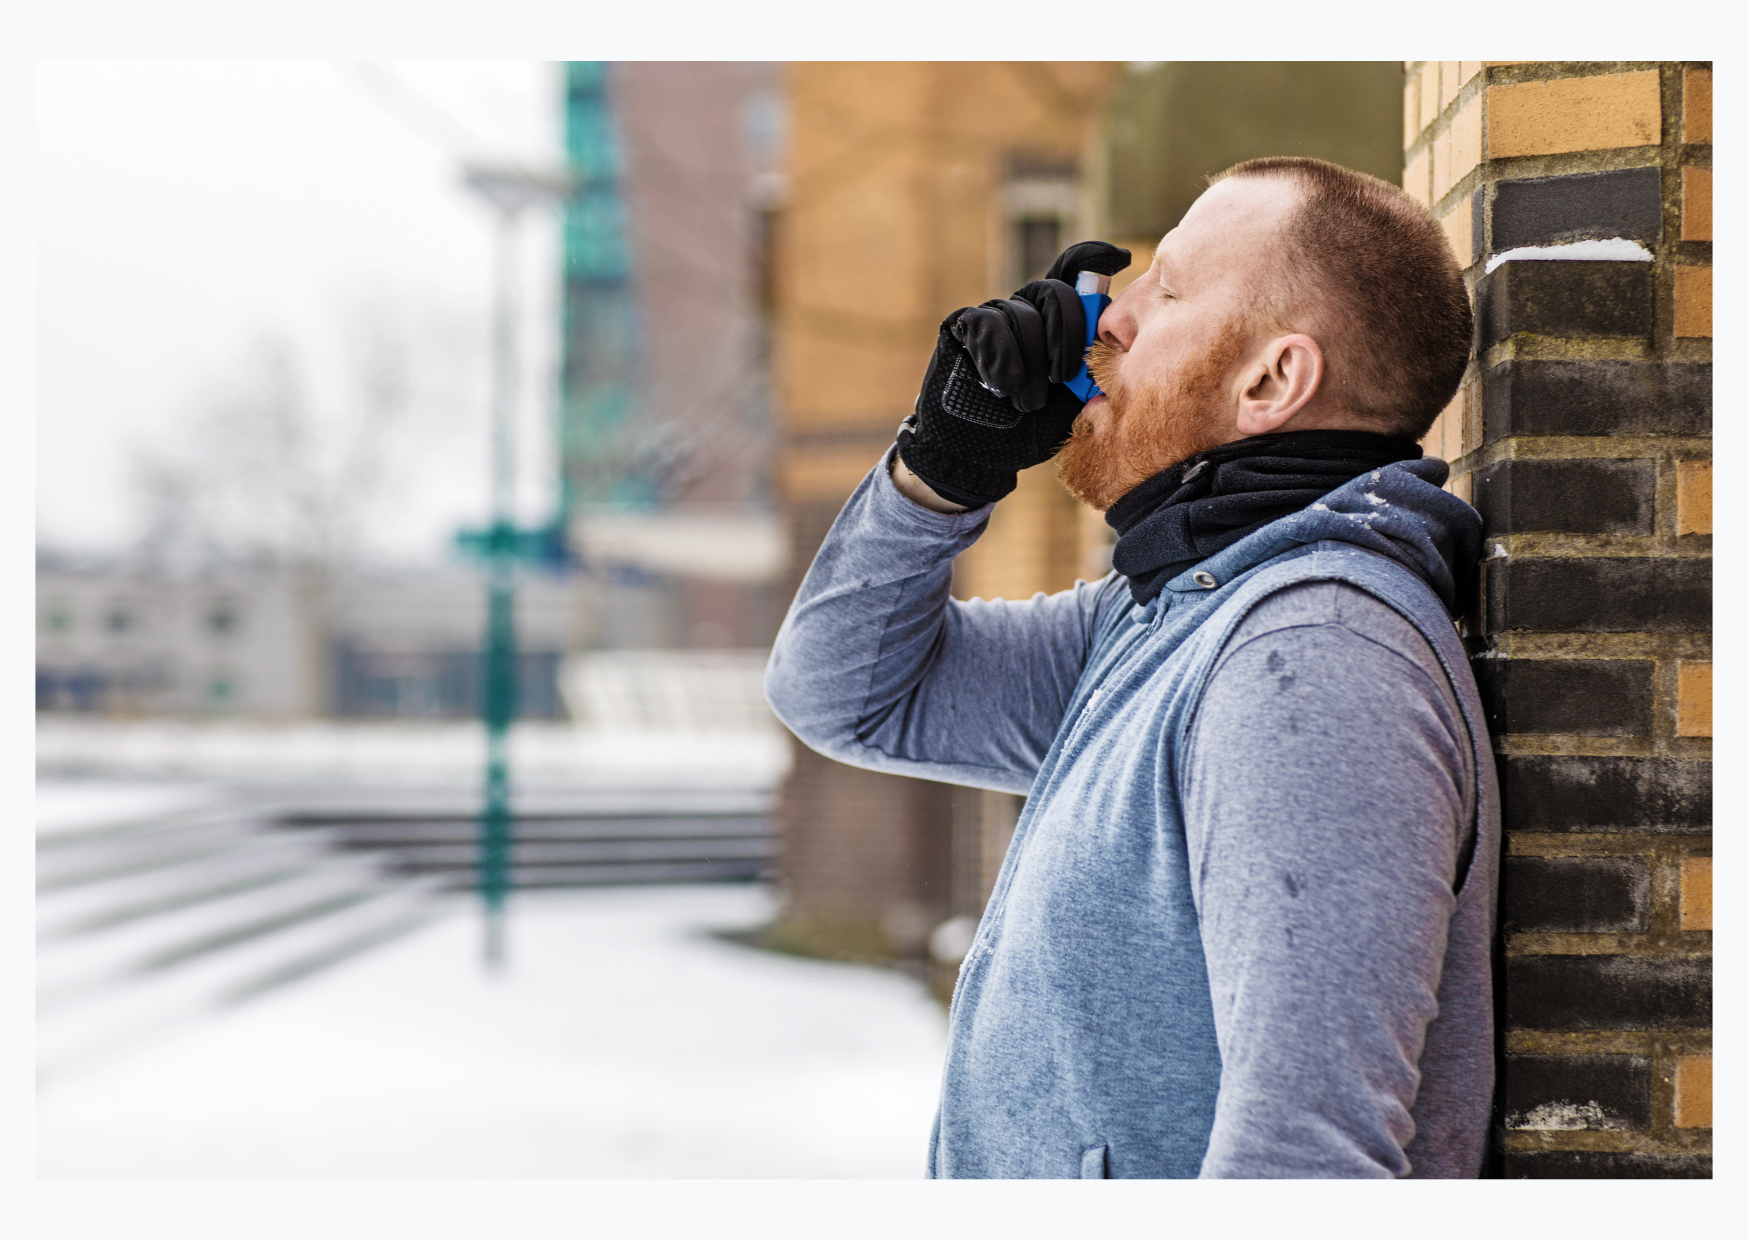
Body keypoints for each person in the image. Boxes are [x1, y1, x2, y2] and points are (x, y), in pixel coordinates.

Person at [764, 156, 1499, 1179]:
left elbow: (1304, 1157)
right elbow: (845, 696)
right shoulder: (1165, 618)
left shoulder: (1309, 656)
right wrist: (942, 467)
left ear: (1272, 380)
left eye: (1170, 291)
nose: (1106, 317)